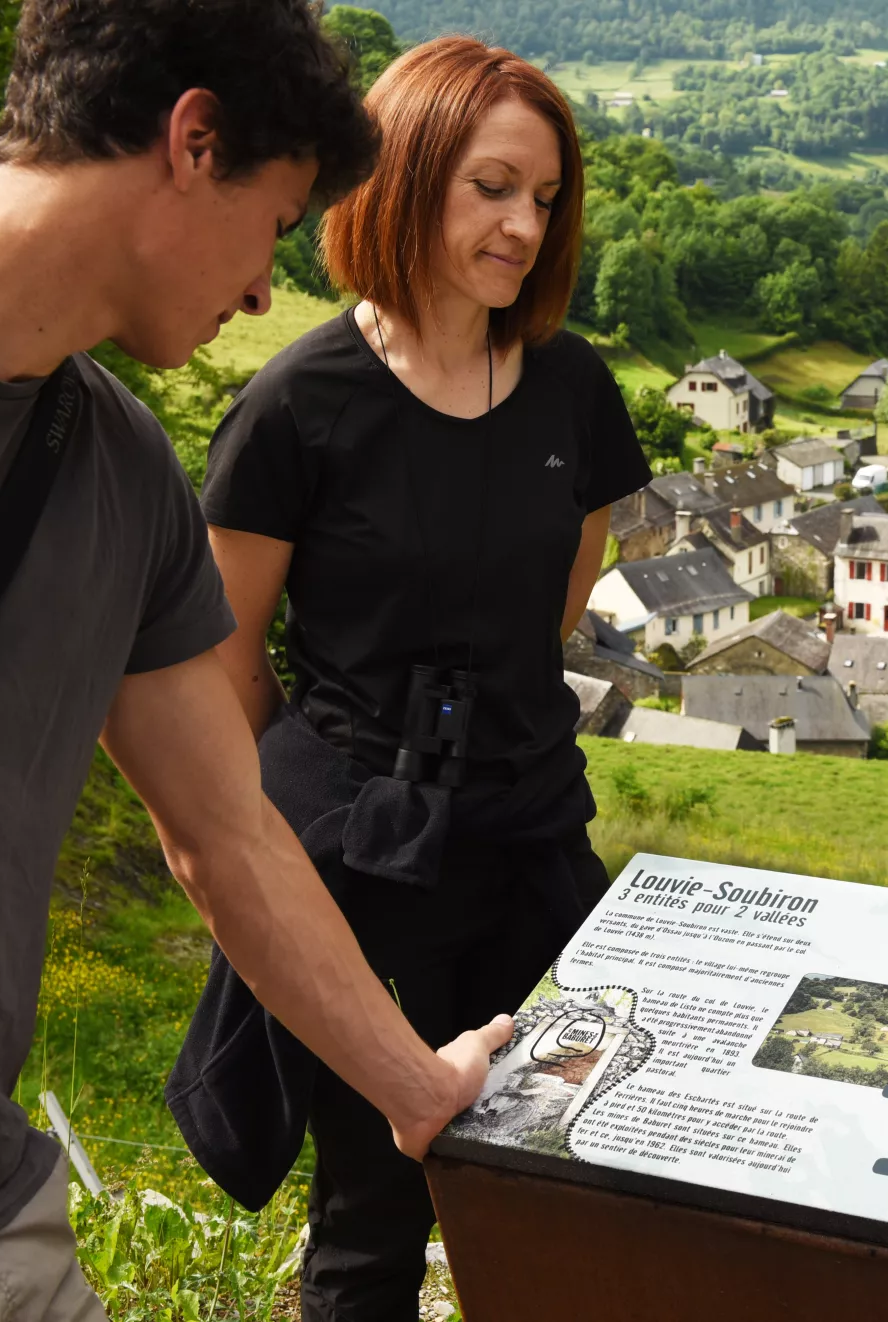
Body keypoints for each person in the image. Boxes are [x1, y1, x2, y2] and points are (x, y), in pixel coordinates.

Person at [0, 3, 517, 1317]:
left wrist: (421, 1092)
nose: (263, 287)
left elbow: (227, 833)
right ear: (193, 142)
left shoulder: (120, 470)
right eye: (277, 219)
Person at [191, 37, 650, 1320]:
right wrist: (339, 797)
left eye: (546, 199)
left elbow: (552, 606)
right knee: (372, 1213)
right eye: (493, 187)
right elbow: (222, 666)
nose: (523, 225)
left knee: (583, 1168)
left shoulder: (570, 389)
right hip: (365, 865)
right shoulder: (300, 405)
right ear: (405, 177)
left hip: (527, 836)